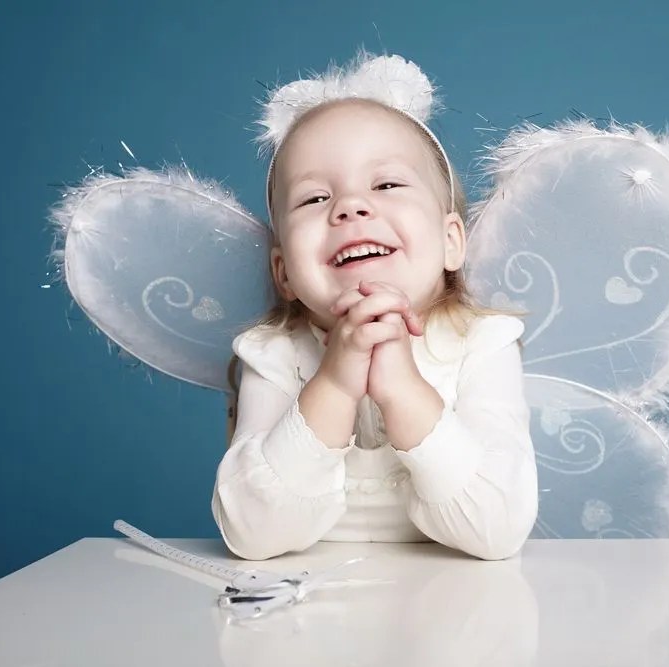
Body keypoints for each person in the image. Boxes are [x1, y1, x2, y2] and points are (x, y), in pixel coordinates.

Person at [210, 81, 539, 561]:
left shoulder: (483, 343)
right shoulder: (273, 352)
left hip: (451, 610)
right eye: (314, 198)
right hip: (306, 613)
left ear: (451, 241)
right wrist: (335, 385)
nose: (350, 206)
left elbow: (498, 532)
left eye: (386, 184)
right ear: (283, 273)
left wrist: (404, 390)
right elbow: (251, 534)